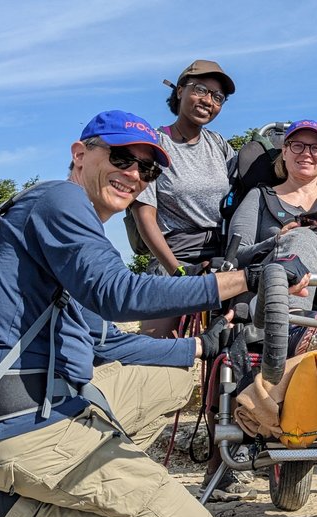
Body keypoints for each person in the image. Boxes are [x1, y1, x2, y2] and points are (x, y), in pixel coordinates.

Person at [0, 110, 310, 517]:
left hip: (51, 407)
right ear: (80, 154)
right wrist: (247, 279)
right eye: (122, 157)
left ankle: (71, 486)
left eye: (146, 169)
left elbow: (102, 341)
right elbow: (119, 294)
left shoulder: (71, 224)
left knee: (174, 378)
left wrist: (204, 348)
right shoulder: (59, 201)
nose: (133, 174)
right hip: (28, 429)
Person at [227, 120, 317, 354]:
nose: (307, 153)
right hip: (273, 297)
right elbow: (236, 256)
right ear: (284, 152)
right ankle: (295, 324)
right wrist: (277, 240)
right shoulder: (259, 197)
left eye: (316, 148)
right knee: (301, 238)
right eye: (297, 146)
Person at [131, 59, 236, 338]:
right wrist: (176, 271)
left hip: (221, 252)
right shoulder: (155, 145)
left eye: (217, 97)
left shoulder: (219, 145)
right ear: (180, 91)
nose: (208, 101)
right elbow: (145, 217)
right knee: (154, 349)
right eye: (200, 89)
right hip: (173, 254)